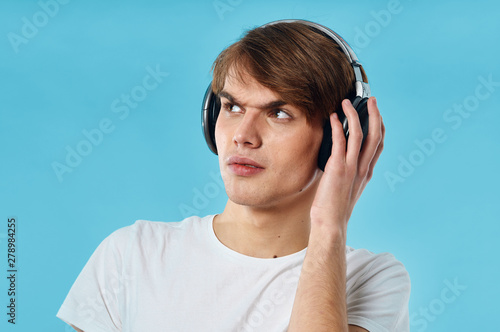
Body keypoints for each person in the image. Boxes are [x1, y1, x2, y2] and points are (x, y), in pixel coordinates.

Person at [57, 19, 410, 332]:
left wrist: (330, 225)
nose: (243, 135)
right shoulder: (131, 255)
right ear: (211, 117)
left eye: (279, 113)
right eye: (232, 107)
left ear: (339, 139)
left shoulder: (373, 279)